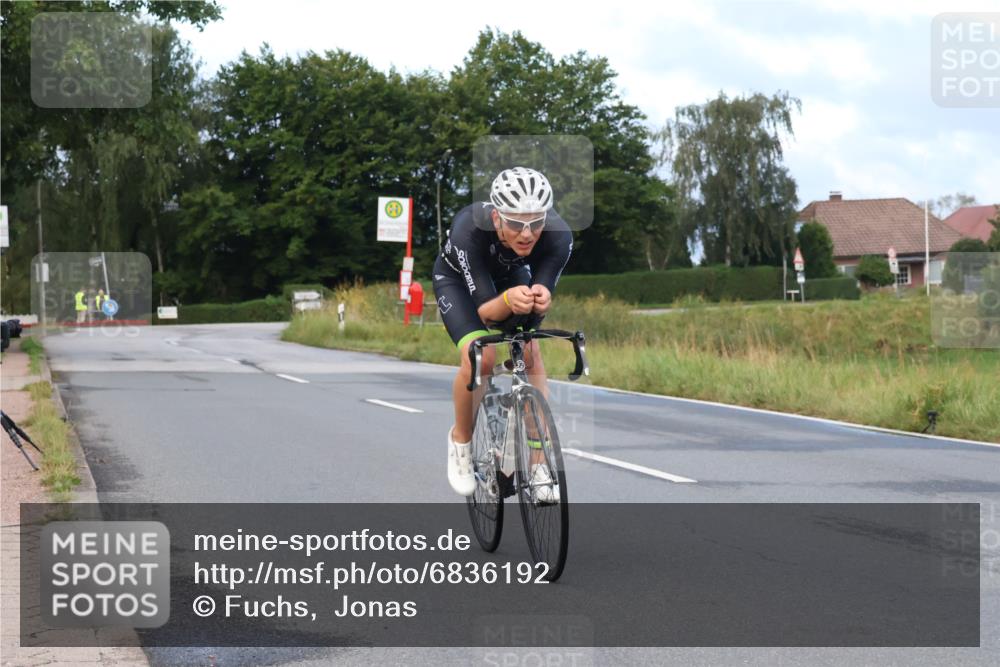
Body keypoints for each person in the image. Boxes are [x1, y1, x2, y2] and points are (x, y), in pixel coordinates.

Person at [433, 167, 573, 501]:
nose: (527, 234)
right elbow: (485, 310)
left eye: (535, 223)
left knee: (529, 353)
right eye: (515, 223)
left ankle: (539, 465)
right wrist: (510, 299)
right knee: (483, 355)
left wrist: (540, 296)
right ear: (496, 218)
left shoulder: (559, 236)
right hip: (458, 284)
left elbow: (541, 291)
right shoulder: (469, 229)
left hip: (510, 275)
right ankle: (461, 442)